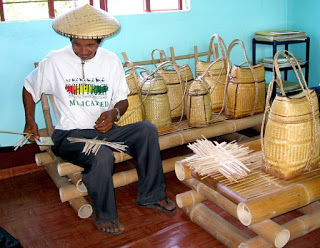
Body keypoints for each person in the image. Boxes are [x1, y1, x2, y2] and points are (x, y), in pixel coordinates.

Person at [22, 4, 176, 235]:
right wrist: (29, 121)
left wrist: (114, 114)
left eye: (90, 46)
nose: (83, 51)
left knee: (146, 130)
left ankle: (151, 196)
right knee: (101, 154)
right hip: (70, 135)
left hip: (105, 131)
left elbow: (121, 100)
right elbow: (28, 87)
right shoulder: (54, 61)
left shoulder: (111, 60)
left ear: (100, 41)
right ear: (71, 39)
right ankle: (104, 214)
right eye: (77, 45)